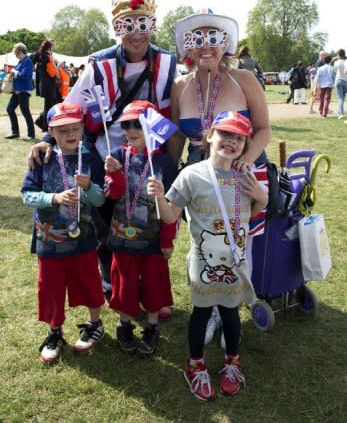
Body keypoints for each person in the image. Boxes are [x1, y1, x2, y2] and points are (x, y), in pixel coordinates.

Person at [28, 0, 177, 311]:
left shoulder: (167, 64)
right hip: (106, 156)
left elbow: (173, 112)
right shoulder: (99, 64)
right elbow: (72, 107)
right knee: (108, 223)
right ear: (116, 28)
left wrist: (172, 159)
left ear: (153, 25)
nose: (136, 34)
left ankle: (150, 291)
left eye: (143, 24)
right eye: (127, 25)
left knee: (149, 219)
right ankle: (114, 286)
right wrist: (48, 140)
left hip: (147, 156)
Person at [147, 111, 268, 401]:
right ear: (210, 136)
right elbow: (169, 216)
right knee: (201, 313)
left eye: (239, 138)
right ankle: (195, 364)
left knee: (231, 312)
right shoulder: (192, 175)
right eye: (225, 134)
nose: (232, 142)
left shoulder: (246, 175)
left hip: (236, 263)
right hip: (204, 264)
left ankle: (232, 362)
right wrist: (160, 196)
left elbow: (250, 215)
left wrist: (262, 197)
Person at [171, 8, 271, 344]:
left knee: (240, 244)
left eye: (213, 37)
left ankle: (233, 314)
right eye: (197, 39)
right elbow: (175, 137)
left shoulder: (243, 79)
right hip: (199, 178)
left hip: (243, 174)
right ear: (188, 46)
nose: (206, 46)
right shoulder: (180, 86)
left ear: (225, 43)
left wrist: (246, 158)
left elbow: (264, 129)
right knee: (206, 244)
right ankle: (211, 311)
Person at [21, 102, 106, 363]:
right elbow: (26, 195)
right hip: (51, 240)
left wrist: (90, 186)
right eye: (63, 130)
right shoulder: (42, 158)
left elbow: (101, 200)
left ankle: (95, 325)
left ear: (82, 129)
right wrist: (54, 197)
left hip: (84, 239)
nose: (70, 134)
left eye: (75, 128)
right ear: (51, 132)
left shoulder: (91, 157)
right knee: (51, 287)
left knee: (89, 280)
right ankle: (55, 331)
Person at [104, 100, 177, 357]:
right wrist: (114, 176)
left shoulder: (165, 162)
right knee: (124, 281)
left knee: (154, 281)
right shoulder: (116, 154)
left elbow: (172, 205)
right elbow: (112, 194)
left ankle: (153, 326)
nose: (132, 130)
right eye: (127, 125)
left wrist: (167, 239)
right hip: (123, 235)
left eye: (138, 124)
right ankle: (124, 325)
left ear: (152, 126)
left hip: (153, 238)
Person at [5, 42, 35, 141]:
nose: (16, 56)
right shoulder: (21, 61)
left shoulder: (27, 61)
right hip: (18, 91)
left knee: (25, 112)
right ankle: (15, 133)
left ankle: (31, 135)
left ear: (21, 51)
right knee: (9, 109)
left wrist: (15, 72)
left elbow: (25, 76)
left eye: (16, 54)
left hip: (24, 91)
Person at [35, 39, 61, 132]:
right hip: (49, 85)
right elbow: (52, 72)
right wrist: (57, 70)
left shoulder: (41, 56)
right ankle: (45, 125)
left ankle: (43, 125)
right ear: (50, 47)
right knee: (51, 105)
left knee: (48, 105)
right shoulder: (48, 56)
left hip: (44, 85)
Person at [333, 49, 347, 119]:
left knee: (340, 98)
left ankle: (340, 114)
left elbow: (335, 71)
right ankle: (341, 112)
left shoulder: (336, 62)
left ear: (338, 55)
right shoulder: (345, 62)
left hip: (338, 80)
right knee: (343, 98)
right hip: (346, 81)